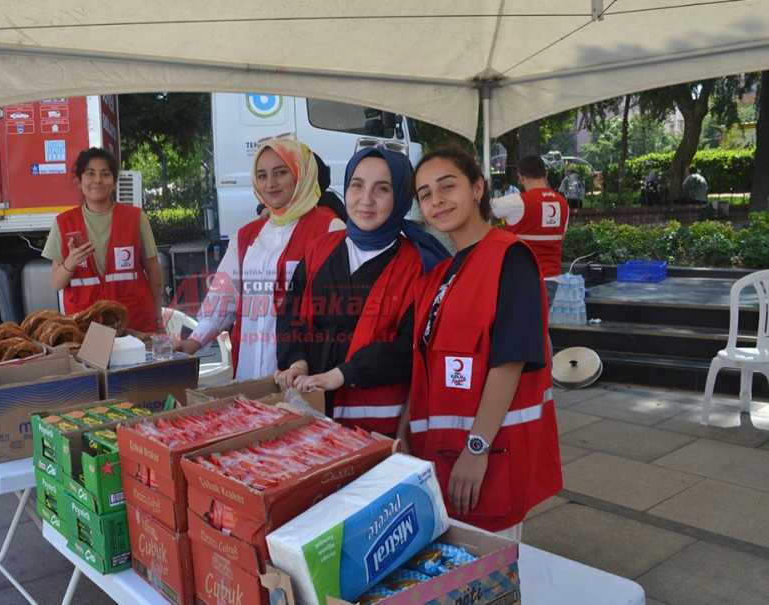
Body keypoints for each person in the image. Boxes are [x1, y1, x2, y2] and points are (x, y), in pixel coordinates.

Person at [404, 146, 561, 539]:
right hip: (438, 457)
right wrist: (405, 432)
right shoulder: (440, 273)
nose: (436, 200)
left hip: (489, 457)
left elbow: (509, 362)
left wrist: (476, 449)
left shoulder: (511, 259)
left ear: (477, 189)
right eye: (425, 194)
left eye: (447, 186)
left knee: (492, 579)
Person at [275, 147, 449, 434]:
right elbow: (290, 312)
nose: (366, 200)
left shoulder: (420, 265)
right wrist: (296, 361)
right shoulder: (320, 249)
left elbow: (411, 346)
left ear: (402, 197)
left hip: (377, 427)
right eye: (357, 186)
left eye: (382, 189)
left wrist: (343, 375)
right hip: (311, 416)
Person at [176, 135, 342, 379]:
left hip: (304, 372)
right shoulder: (246, 235)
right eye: (262, 175)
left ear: (300, 174)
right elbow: (222, 301)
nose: (270, 183)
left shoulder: (331, 228)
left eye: (281, 172)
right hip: (249, 368)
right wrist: (191, 344)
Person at [43, 147, 163, 332]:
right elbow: (56, 283)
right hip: (86, 327)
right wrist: (71, 262)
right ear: (79, 181)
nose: (98, 180)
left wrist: (158, 317)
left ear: (114, 182)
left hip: (134, 323)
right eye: (90, 174)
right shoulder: (63, 223)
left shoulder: (135, 218)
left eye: (105, 174)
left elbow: (154, 273)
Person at [490, 155, 569, 309]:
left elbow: (483, 210)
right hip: (552, 279)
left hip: (522, 279)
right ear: (545, 174)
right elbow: (562, 237)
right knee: (539, 327)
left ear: (521, 177)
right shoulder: (562, 203)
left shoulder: (516, 202)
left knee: (522, 330)